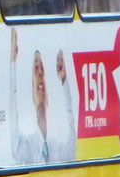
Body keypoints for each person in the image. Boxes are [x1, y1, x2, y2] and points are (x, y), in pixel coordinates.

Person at [10, 27, 76, 165]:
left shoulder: (57, 146)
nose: (40, 73)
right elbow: (13, 116)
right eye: (36, 69)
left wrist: (64, 81)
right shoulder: (26, 147)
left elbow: (72, 150)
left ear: (47, 93)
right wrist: (13, 63)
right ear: (32, 94)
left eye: (42, 69)